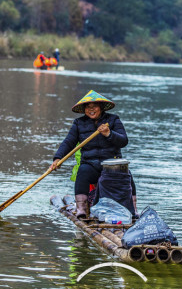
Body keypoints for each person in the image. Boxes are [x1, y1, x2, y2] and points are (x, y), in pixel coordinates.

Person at [49, 90, 136, 218]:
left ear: (100, 107)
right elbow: (69, 142)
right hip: (90, 164)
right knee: (82, 172)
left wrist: (108, 133)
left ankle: (133, 210)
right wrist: (57, 158)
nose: (91, 110)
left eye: (94, 106)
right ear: (84, 109)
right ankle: (81, 209)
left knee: (127, 176)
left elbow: (124, 141)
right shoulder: (79, 123)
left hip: (111, 165)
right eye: (88, 107)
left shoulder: (113, 120)